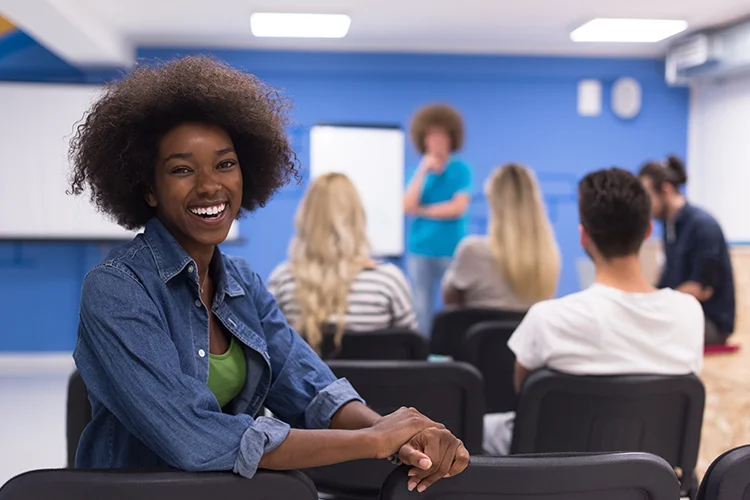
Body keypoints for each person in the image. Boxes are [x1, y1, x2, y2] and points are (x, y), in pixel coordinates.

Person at [68, 56, 468, 491]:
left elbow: (312, 389)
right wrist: (372, 440)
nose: (209, 185)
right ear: (147, 188)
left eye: (225, 164)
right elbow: (195, 438)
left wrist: (398, 436)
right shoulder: (116, 288)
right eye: (182, 170)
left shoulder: (242, 283)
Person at [483, 167, 704, 455]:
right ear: (648, 230)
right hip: (647, 478)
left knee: (483, 428)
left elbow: (525, 399)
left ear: (583, 236)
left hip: (556, 479)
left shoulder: (548, 319)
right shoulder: (689, 313)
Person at [267, 172, 418, 355]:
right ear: (358, 218)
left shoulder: (282, 281)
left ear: (306, 217)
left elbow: (271, 352)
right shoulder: (389, 282)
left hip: (307, 385)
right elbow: (412, 353)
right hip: (374, 385)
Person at [639, 156, 735, 345]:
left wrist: (656, 305)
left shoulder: (703, 226)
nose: (646, 206)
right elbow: (666, 282)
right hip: (681, 316)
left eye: (648, 197)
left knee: (649, 337)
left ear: (666, 190)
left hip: (710, 323)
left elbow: (700, 289)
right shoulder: (669, 226)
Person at [442, 163, 560, 309]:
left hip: (481, 330)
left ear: (492, 200)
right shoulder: (548, 256)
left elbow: (450, 300)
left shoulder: (473, 250)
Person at [403, 103, 472, 334]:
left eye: (442, 136)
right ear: (423, 139)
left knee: (453, 307)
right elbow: (407, 205)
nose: (437, 141)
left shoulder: (461, 169)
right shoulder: (417, 171)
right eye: (432, 136)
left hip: (451, 250)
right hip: (420, 250)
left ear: (452, 138)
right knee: (420, 307)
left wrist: (423, 210)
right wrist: (423, 170)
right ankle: (423, 354)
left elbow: (457, 208)